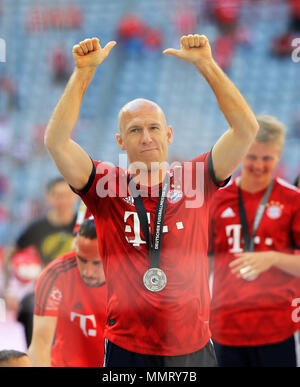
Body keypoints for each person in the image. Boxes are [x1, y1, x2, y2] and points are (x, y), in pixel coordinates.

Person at [44, 34, 258, 366]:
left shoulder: (197, 178)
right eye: (134, 130)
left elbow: (246, 129)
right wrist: (83, 73)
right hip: (128, 348)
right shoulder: (106, 185)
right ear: (120, 140)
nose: (146, 137)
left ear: (168, 134)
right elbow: (56, 142)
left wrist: (206, 64)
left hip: (193, 347)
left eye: (154, 128)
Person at [209, 115, 300, 367]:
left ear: (279, 155)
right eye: (252, 157)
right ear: (240, 154)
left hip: (277, 330)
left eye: (267, 158)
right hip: (225, 330)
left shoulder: (293, 201)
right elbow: (204, 263)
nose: (259, 165)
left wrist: (271, 258)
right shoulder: (217, 200)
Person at [3, 177, 77, 346]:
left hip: (77, 291)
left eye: (67, 195)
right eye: (58, 195)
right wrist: (8, 290)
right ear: (49, 197)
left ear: (75, 196)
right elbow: (10, 254)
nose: (63, 200)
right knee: (29, 312)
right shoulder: (37, 227)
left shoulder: (83, 224)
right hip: (46, 290)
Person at [28, 218, 107, 367]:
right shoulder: (55, 275)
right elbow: (40, 344)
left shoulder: (129, 277)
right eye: (82, 260)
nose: (88, 272)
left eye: (96, 263)